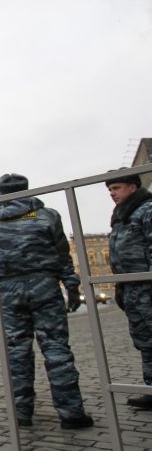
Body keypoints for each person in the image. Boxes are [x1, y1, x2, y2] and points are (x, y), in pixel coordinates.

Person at [0, 173, 93, 428]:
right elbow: (61, 254)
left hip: (8, 290)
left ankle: (21, 413)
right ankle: (71, 413)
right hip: (44, 287)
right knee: (56, 348)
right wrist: (72, 285)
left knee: (16, 352)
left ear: (0, 193)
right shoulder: (47, 216)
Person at [106, 171, 152, 409]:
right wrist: (121, 285)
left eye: (116, 188)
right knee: (145, 340)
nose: (112, 194)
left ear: (133, 187)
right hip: (133, 287)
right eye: (110, 190)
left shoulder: (147, 210)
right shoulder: (122, 214)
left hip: (147, 285)